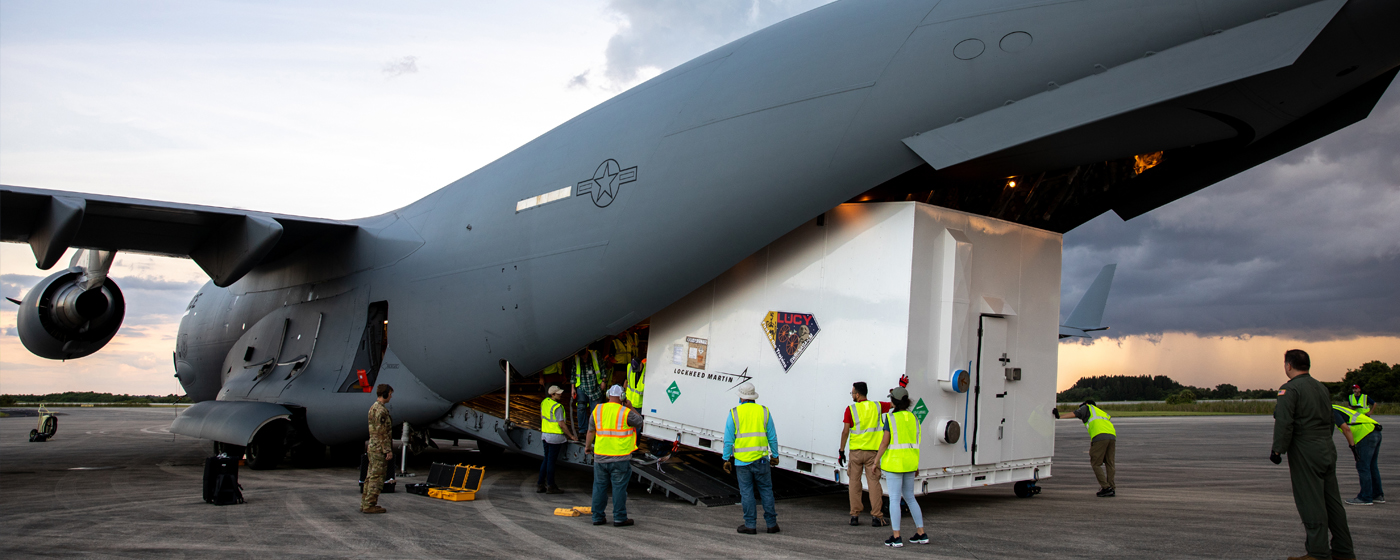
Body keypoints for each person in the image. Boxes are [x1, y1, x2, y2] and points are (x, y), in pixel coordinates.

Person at [1272, 349, 1355, 560]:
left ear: (1289, 366)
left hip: (1305, 449)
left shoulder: (1289, 390)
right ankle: (1344, 551)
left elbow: (1284, 421)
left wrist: (1277, 448)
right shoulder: (1321, 388)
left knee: (1310, 500)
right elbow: (1330, 419)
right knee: (1332, 502)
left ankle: (1318, 552)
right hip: (1326, 447)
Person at [722, 382, 780, 535]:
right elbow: (772, 436)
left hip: (742, 462)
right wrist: (775, 455)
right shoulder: (764, 411)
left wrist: (726, 459)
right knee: (766, 491)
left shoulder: (734, 412)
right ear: (753, 397)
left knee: (747, 493)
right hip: (762, 459)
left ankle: (750, 525)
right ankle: (772, 524)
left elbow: (728, 439)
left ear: (741, 397)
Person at [875, 387, 927, 548]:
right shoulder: (914, 418)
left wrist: (876, 461)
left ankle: (896, 536)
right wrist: (916, 464)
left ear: (894, 401)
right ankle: (921, 533)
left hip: (894, 464)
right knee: (910, 498)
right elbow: (915, 442)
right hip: (910, 463)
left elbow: (885, 442)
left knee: (895, 500)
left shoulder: (890, 419)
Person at [586, 385, 642, 527]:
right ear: (622, 397)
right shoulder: (625, 412)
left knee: (599, 487)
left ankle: (597, 517)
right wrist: (630, 407)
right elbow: (640, 422)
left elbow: (591, 431)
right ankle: (619, 518)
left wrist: (587, 447)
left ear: (607, 395)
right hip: (620, 458)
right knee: (619, 489)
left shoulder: (598, 410)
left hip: (600, 457)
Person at [838, 381, 891, 526]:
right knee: (873, 483)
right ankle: (876, 517)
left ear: (857, 394)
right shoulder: (878, 406)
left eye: (852, 393)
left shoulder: (850, 409)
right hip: (872, 454)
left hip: (855, 453)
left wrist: (841, 451)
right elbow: (894, 404)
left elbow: (845, 432)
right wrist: (901, 388)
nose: (852, 395)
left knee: (854, 483)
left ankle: (854, 516)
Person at [1053, 399, 1117, 497]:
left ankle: (1105, 487)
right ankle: (1112, 487)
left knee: (1096, 463)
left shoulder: (1088, 407)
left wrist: (1059, 416)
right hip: (1112, 436)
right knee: (1110, 463)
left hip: (1099, 436)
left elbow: (1075, 413)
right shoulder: (1101, 412)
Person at [1332, 403, 1384, 506]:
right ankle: (1377, 495)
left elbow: (1346, 429)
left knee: (1363, 466)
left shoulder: (1331, 410)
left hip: (1365, 434)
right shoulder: (1336, 407)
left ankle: (1365, 497)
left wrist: (1352, 446)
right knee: (1372, 466)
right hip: (1374, 430)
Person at [539, 385, 578, 494]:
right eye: (558, 393)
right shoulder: (558, 407)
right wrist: (571, 436)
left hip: (545, 435)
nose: (560, 394)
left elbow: (542, 417)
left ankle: (540, 484)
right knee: (551, 461)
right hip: (555, 437)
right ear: (552, 394)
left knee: (546, 459)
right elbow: (561, 424)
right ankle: (551, 486)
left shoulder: (544, 402)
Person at [361, 383, 394, 514]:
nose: (391, 397)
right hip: (379, 448)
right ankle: (370, 504)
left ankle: (365, 502)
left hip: (373, 446)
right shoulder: (381, 411)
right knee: (377, 477)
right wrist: (387, 450)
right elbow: (382, 432)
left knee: (370, 476)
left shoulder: (373, 408)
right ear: (385, 394)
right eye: (390, 394)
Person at [572, 349, 606, 433]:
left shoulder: (595, 354)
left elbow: (603, 368)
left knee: (595, 410)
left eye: (585, 356)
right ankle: (583, 430)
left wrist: (603, 381)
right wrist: (572, 388)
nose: (584, 358)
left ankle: (594, 431)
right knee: (581, 408)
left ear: (587, 351)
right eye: (582, 357)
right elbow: (573, 374)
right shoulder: (576, 358)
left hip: (595, 386)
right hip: (582, 386)